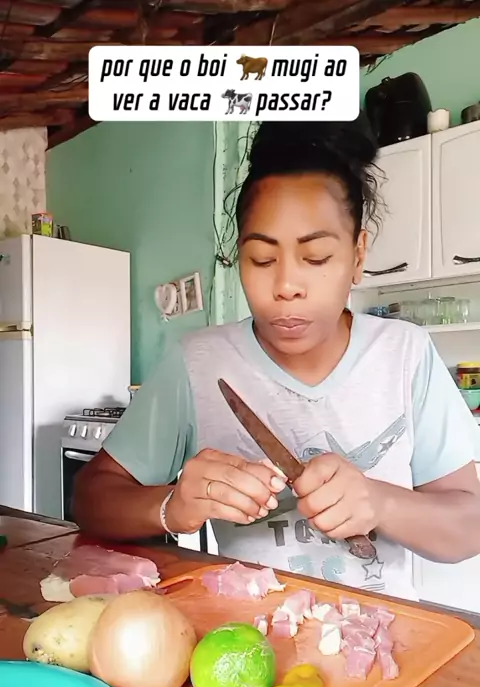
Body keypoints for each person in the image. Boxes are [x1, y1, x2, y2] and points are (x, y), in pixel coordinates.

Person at [73, 116, 480, 602]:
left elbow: (469, 526)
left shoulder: (405, 353)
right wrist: (171, 507)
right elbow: (90, 499)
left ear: (358, 255)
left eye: (317, 257)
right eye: (262, 259)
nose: (286, 286)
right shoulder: (199, 363)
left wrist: (381, 503)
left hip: (386, 635)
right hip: (245, 639)